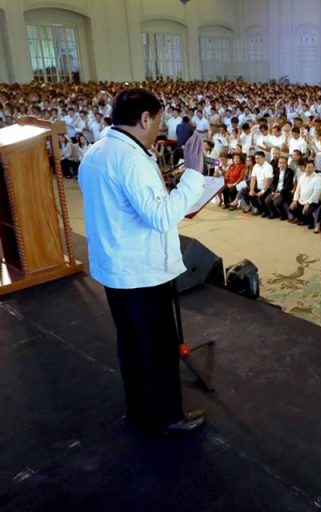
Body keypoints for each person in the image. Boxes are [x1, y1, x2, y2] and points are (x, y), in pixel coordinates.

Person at [78, 88, 206, 434]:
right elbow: (161, 217)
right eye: (158, 122)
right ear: (144, 118)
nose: (159, 131)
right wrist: (194, 174)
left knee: (133, 344)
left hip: (117, 268)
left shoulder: (98, 150)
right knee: (159, 349)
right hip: (141, 272)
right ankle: (166, 417)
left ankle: (140, 410)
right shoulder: (130, 158)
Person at [289, 160, 321, 229]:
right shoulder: (302, 177)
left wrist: (308, 203)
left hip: (313, 201)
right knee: (291, 208)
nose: (309, 169)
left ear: (314, 168)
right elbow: (298, 190)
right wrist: (295, 200)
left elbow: (316, 193)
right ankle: (303, 220)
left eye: (311, 167)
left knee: (307, 211)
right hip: (302, 200)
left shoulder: (317, 179)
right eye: (308, 167)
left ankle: (311, 222)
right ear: (305, 168)